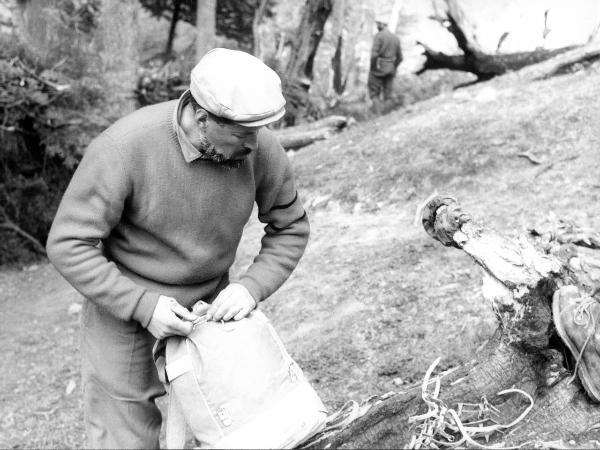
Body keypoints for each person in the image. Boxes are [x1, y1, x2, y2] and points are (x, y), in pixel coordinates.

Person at [46, 48, 309, 448]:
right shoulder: (124, 148)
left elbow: (290, 227)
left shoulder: (259, 147)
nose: (255, 145)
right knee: (125, 440)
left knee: (240, 431)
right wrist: (144, 306)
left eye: (258, 132)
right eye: (242, 134)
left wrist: (249, 287)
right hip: (126, 310)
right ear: (203, 117)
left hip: (212, 309)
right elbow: (69, 243)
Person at [368, 15, 403, 115]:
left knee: (374, 94)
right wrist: (393, 67)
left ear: (382, 24)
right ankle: (387, 117)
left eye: (378, 24)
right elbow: (400, 58)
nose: (377, 26)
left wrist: (373, 68)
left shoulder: (379, 36)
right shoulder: (395, 38)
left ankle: (378, 117)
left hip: (378, 68)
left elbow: (374, 55)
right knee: (388, 95)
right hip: (390, 68)